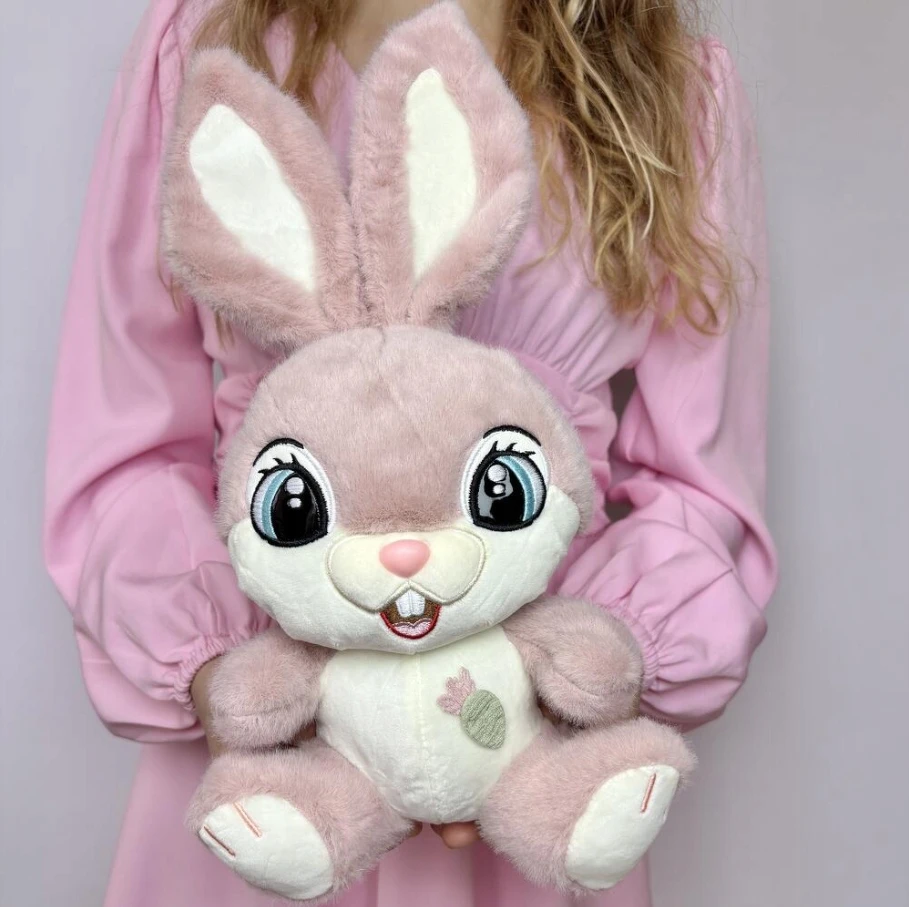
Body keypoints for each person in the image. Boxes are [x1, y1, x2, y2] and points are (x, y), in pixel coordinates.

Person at [43, 1, 778, 905]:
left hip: (532, 784)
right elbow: (125, 446)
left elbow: (701, 488)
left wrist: (528, 701)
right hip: (273, 789)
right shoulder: (208, 46)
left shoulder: (673, 93)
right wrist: (240, 686)